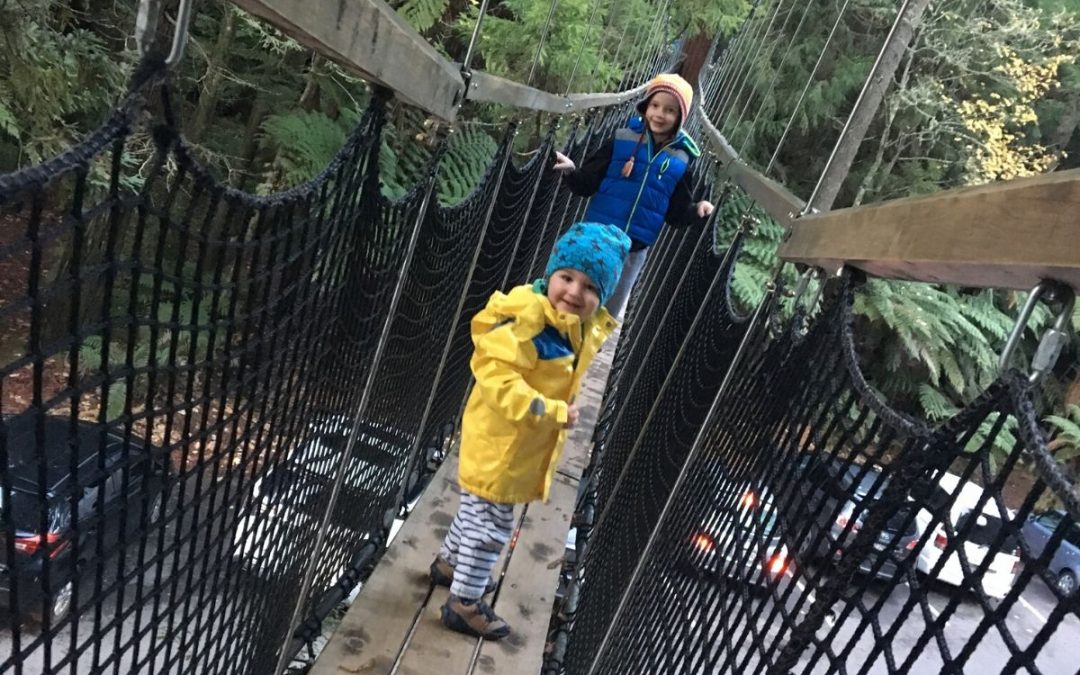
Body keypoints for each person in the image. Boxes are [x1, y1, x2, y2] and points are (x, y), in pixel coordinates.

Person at [429, 221, 631, 640]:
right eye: (567, 277)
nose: (575, 292)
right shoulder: (529, 322)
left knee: (477, 507)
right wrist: (553, 411)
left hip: (509, 442)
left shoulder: (571, 325)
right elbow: (497, 378)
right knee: (492, 525)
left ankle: (449, 564)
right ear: (550, 275)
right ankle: (463, 603)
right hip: (504, 443)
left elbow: (588, 338)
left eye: (592, 287)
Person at [552, 73, 715, 319]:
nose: (660, 114)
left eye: (670, 110)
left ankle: (586, 353)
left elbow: (676, 214)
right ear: (645, 107)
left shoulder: (682, 160)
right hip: (597, 238)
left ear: (680, 117)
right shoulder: (622, 139)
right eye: (655, 105)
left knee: (605, 315)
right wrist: (572, 172)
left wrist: (697, 210)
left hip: (633, 249)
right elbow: (588, 182)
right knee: (574, 301)